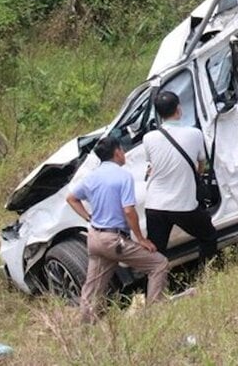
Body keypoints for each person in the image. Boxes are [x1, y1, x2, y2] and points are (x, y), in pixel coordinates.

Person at [66, 136, 169, 323]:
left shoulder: (91, 177)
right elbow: (129, 211)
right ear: (117, 152)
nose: (124, 154)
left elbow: (71, 198)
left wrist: (88, 217)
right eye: (122, 150)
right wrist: (141, 239)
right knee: (158, 264)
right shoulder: (123, 176)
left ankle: (85, 328)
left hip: (95, 237)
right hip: (114, 240)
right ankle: (155, 313)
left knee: (93, 289)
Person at [142, 91, 217, 265]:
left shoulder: (148, 138)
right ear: (178, 109)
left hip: (155, 205)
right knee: (208, 236)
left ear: (159, 114)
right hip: (183, 204)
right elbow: (202, 164)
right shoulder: (195, 134)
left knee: (156, 252)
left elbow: (152, 165)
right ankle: (207, 275)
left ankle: (154, 288)